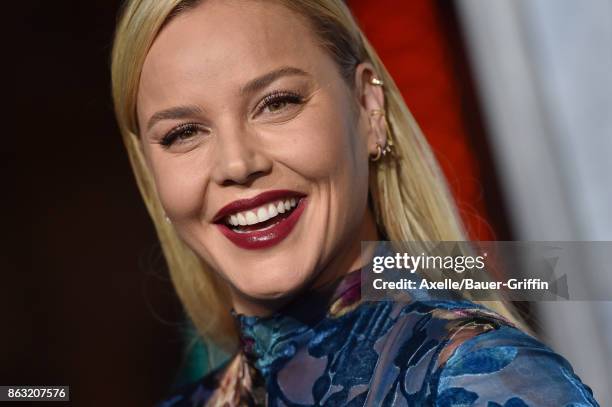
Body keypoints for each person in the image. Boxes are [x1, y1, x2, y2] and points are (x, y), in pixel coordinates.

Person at [111, 0, 599, 405]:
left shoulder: (480, 379)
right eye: (183, 133)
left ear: (369, 109)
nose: (237, 164)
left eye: (276, 102)